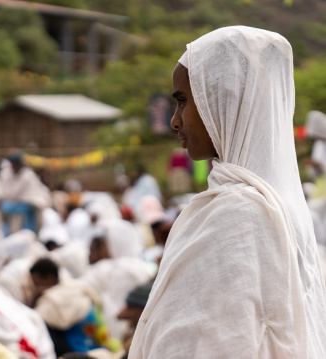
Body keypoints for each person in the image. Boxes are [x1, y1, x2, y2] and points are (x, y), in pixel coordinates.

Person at [130, 26, 326, 358]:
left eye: (182, 102)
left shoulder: (237, 212)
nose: (175, 121)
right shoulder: (278, 205)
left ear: (223, 103)